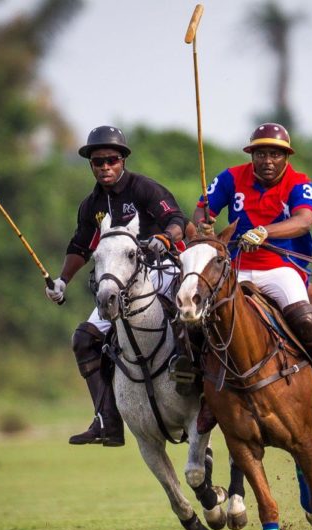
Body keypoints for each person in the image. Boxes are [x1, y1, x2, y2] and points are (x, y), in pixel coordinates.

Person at [193, 122, 312, 428]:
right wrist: (205, 223)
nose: (268, 160)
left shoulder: (299, 183)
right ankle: (208, 394)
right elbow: (202, 211)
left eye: (275, 154)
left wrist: (264, 232)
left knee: (307, 320)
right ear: (252, 155)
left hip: (280, 267)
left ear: (286, 156)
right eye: (261, 153)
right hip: (235, 266)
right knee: (200, 321)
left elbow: (303, 221)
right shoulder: (232, 177)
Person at [46, 126, 186, 446]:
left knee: (189, 323)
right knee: (84, 338)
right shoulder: (91, 204)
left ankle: (202, 401)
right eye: (98, 162)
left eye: (111, 160)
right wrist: (62, 281)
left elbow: (176, 221)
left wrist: (164, 239)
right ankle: (107, 420)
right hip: (119, 281)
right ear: (91, 166)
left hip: (159, 270)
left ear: (122, 160)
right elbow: (81, 247)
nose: (105, 167)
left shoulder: (145, 189)